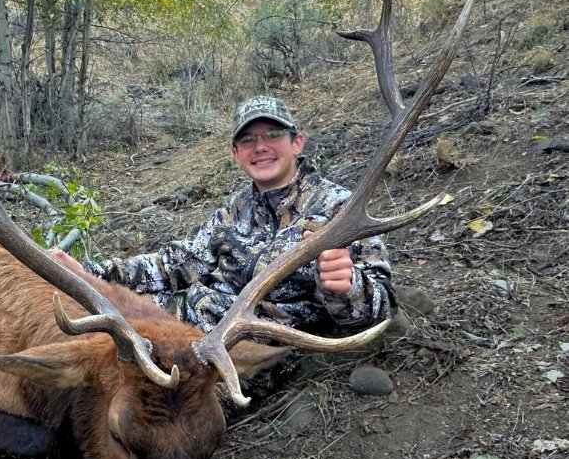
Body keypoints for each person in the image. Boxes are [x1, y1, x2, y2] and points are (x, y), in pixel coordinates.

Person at [54, 96, 395, 335]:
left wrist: (346, 288)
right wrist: (90, 274)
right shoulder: (232, 211)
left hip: (240, 351)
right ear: (236, 154)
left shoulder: (340, 209)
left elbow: (379, 311)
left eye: (273, 134)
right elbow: (173, 265)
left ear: (297, 143)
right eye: (247, 140)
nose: (260, 146)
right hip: (174, 324)